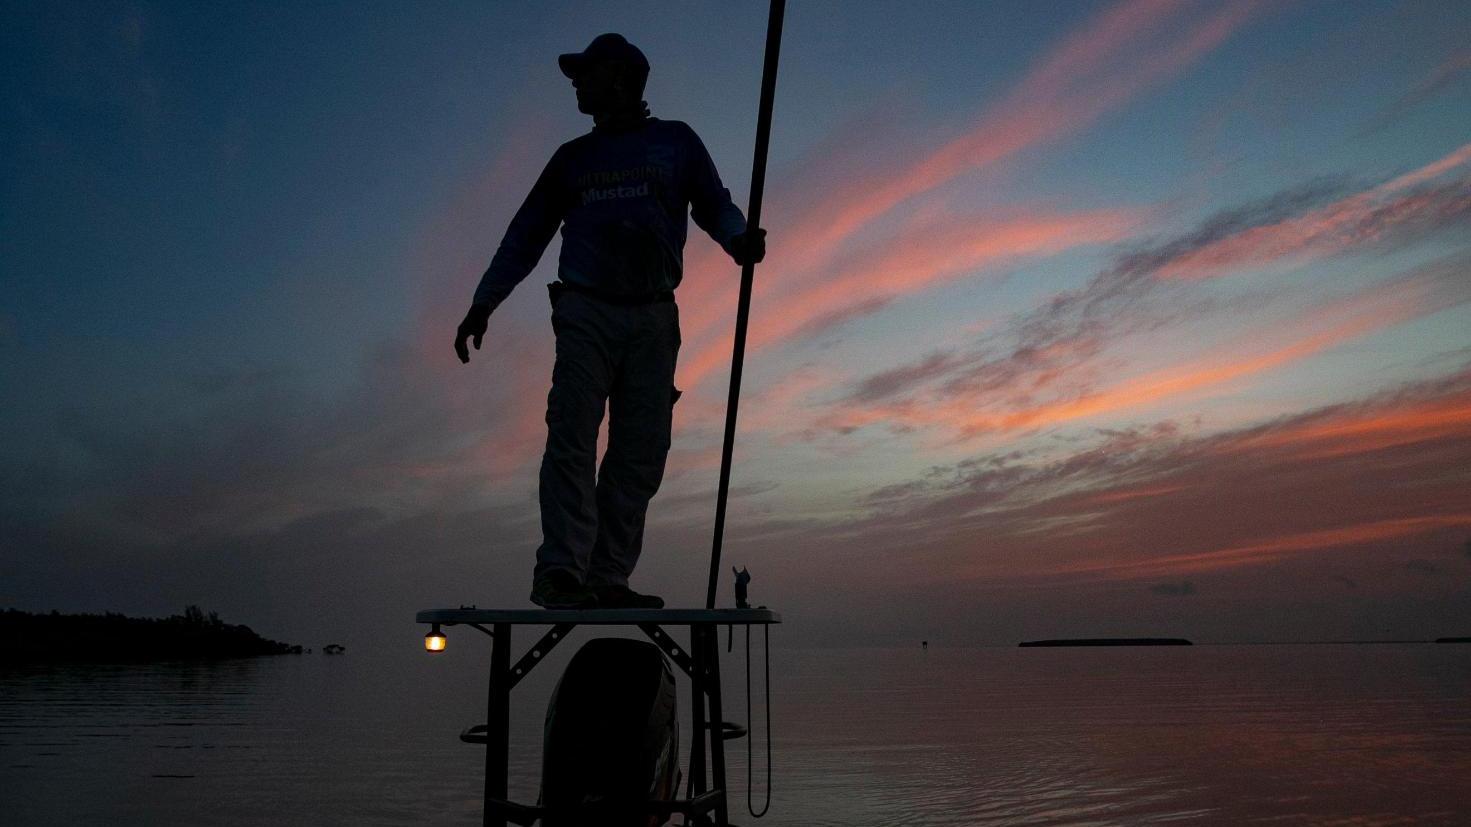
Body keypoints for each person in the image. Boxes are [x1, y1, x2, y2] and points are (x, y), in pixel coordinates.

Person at [454, 33, 766, 610]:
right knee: (571, 432)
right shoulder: (571, 159)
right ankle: (560, 573)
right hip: (584, 310)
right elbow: (525, 234)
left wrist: (738, 239)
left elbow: (714, 204)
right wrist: (484, 302)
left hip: (652, 317)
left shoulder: (675, 143)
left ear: (620, 78)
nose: (576, 82)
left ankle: (607, 578)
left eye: (586, 73)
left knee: (640, 452)